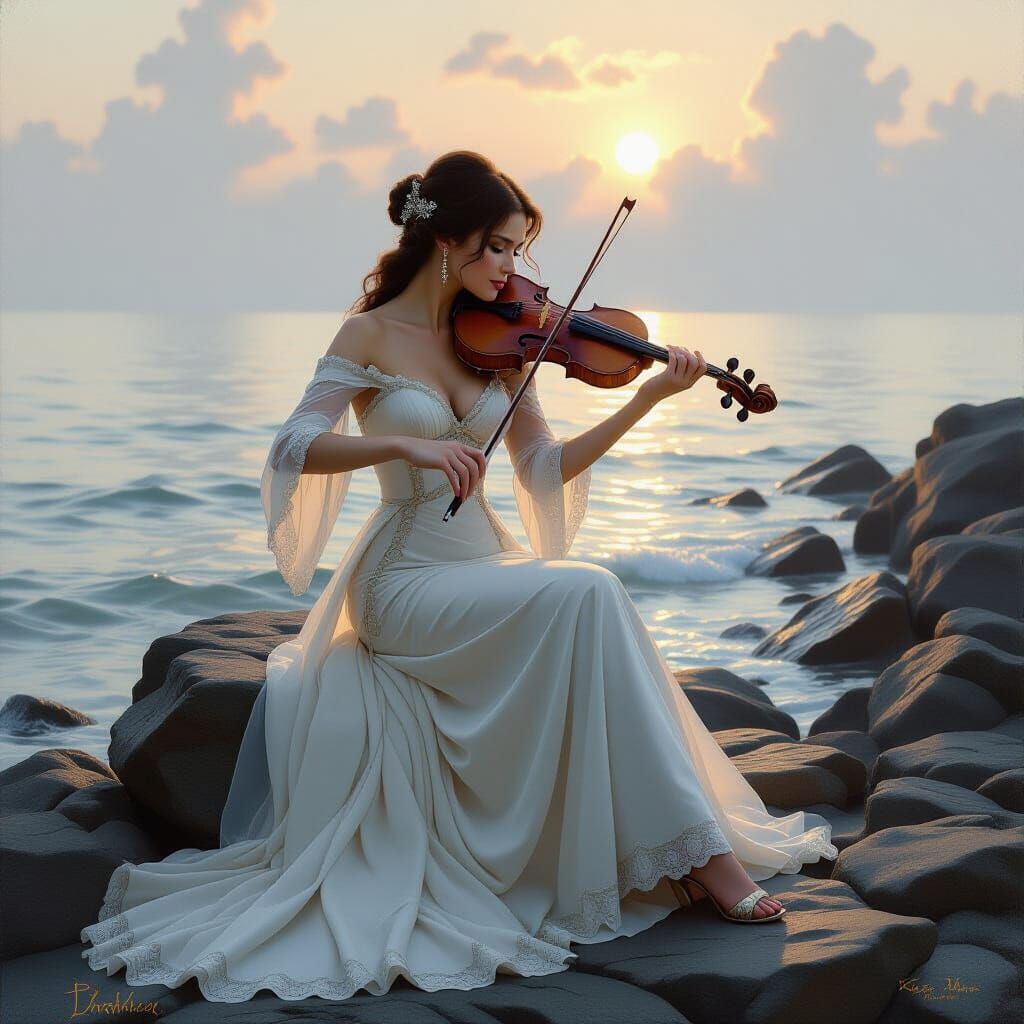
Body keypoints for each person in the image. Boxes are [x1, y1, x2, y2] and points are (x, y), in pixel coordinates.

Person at [80, 150, 837, 1003]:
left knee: (590, 597)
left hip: (484, 566)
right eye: (499, 249)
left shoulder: (503, 342)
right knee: (589, 592)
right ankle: (705, 861)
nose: (515, 272)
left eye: (520, 252)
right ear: (446, 239)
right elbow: (291, 447)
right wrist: (400, 443)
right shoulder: (369, 335)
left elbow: (543, 467)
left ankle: (689, 850)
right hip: (403, 583)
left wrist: (642, 402)